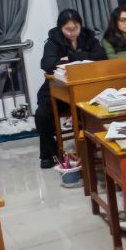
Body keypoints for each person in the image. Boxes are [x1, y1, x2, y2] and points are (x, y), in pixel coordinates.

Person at [35, 9, 106, 169]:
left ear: (80, 26)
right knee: (42, 115)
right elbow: (47, 64)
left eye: (75, 28)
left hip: (84, 91)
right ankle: (48, 154)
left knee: (91, 110)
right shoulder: (53, 42)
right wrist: (84, 56)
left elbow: (101, 55)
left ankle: (89, 148)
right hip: (58, 93)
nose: (72, 33)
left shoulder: (88, 37)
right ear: (60, 28)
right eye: (67, 29)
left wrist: (72, 57)